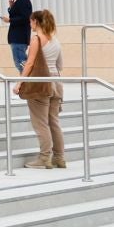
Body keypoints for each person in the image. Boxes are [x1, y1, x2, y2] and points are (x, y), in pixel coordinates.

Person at [18, 10, 65, 168]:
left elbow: (30, 63)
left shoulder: (36, 39)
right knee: (54, 122)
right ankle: (59, 157)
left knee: (41, 123)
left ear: (36, 22)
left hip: (41, 84)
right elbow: (60, 66)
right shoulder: (55, 40)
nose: (30, 24)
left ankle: (44, 158)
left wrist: (19, 83)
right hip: (56, 83)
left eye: (31, 21)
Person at [0, 0, 33, 72]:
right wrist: (11, 6)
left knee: (21, 63)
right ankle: (26, 84)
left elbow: (26, 18)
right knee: (20, 63)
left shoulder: (24, 0)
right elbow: (19, 15)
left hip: (19, 38)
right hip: (18, 38)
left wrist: (10, 20)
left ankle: (28, 84)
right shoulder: (19, 0)